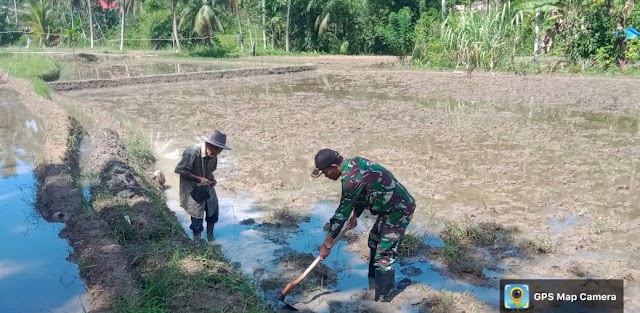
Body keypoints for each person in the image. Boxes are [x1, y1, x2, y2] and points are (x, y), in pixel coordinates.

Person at [311, 148, 415, 302]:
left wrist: (327, 243)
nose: (326, 176)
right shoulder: (354, 164)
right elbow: (364, 192)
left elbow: (341, 214)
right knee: (374, 240)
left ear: (334, 166)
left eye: (325, 172)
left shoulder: (351, 179)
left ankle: (383, 300)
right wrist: (355, 215)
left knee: (384, 254)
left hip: (399, 210)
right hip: (388, 209)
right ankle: (373, 284)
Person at [175, 130, 231, 240]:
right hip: (193, 188)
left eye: (219, 152)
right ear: (209, 144)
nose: (216, 154)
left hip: (207, 186)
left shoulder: (214, 154)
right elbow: (180, 170)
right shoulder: (192, 152)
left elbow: (210, 170)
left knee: (213, 210)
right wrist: (198, 179)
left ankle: (210, 236)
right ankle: (198, 241)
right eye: (215, 150)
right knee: (197, 216)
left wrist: (212, 180)